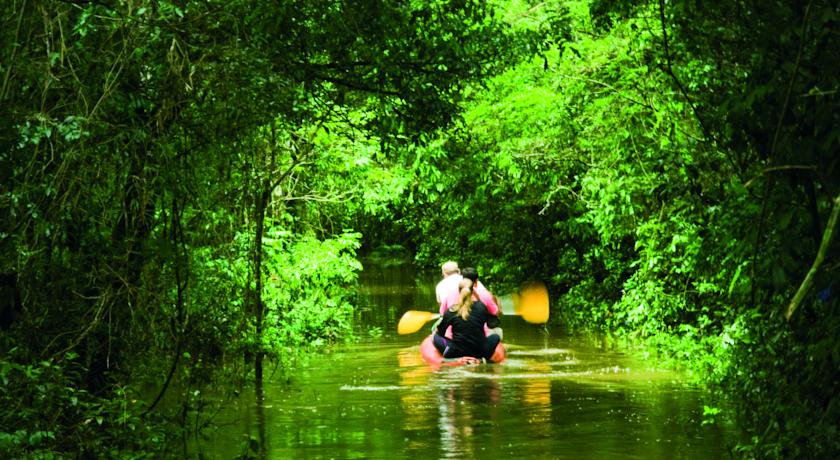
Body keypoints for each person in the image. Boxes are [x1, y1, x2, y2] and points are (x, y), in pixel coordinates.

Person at [432, 277, 501, 361]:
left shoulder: (451, 310)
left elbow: (440, 333)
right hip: (481, 352)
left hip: (456, 352)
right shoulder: (481, 307)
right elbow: (492, 323)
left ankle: (455, 359)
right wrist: (478, 297)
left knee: (435, 337)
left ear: (459, 291)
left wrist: (436, 330)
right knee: (497, 335)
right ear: (473, 291)